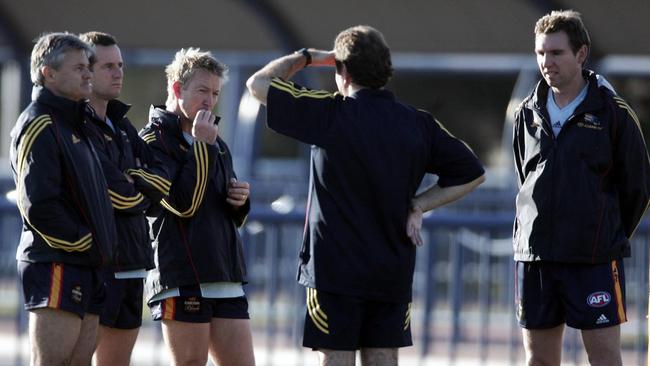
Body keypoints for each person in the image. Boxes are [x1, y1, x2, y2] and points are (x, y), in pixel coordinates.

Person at [247, 25, 485, 366]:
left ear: (342, 71)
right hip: (391, 269)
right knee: (384, 356)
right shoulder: (418, 123)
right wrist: (419, 204)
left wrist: (306, 58)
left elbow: (257, 85)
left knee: (336, 357)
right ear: (385, 69)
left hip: (334, 270)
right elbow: (473, 172)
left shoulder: (330, 113)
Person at [512, 10, 650, 366]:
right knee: (539, 360)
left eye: (556, 53)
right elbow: (524, 179)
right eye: (541, 53)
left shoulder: (613, 113)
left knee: (604, 359)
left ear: (581, 54)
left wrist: (605, 233)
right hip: (536, 258)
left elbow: (638, 187)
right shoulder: (526, 112)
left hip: (593, 260)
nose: (546, 62)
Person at [140, 48, 255, 366]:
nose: (210, 100)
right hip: (182, 277)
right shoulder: (151, 142)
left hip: (225, 275)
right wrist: (203, 145)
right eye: (202, 90)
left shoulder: (215, 140)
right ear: (177, 89)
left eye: (215, 92)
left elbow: (226, 215)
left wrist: (240, 201)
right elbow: (182, 205)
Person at [9, 32, 118, 366]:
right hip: (57, 262)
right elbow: (37, 204)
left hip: (87, 265)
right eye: (78, 68)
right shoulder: (40, 123)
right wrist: (82, 241)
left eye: (88, 67)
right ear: (48, 73)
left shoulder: (77, 124)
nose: (88, 74)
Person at [79, 31, 170, 366]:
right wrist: (138, 187)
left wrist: (137, 181)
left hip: (133, 264)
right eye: (108, 66)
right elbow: (112, 193)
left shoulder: (123, 125)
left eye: (120, 65)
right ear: (84, 72)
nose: (118, 73)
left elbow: (163, 181)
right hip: (100, 266)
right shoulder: (77, 126)